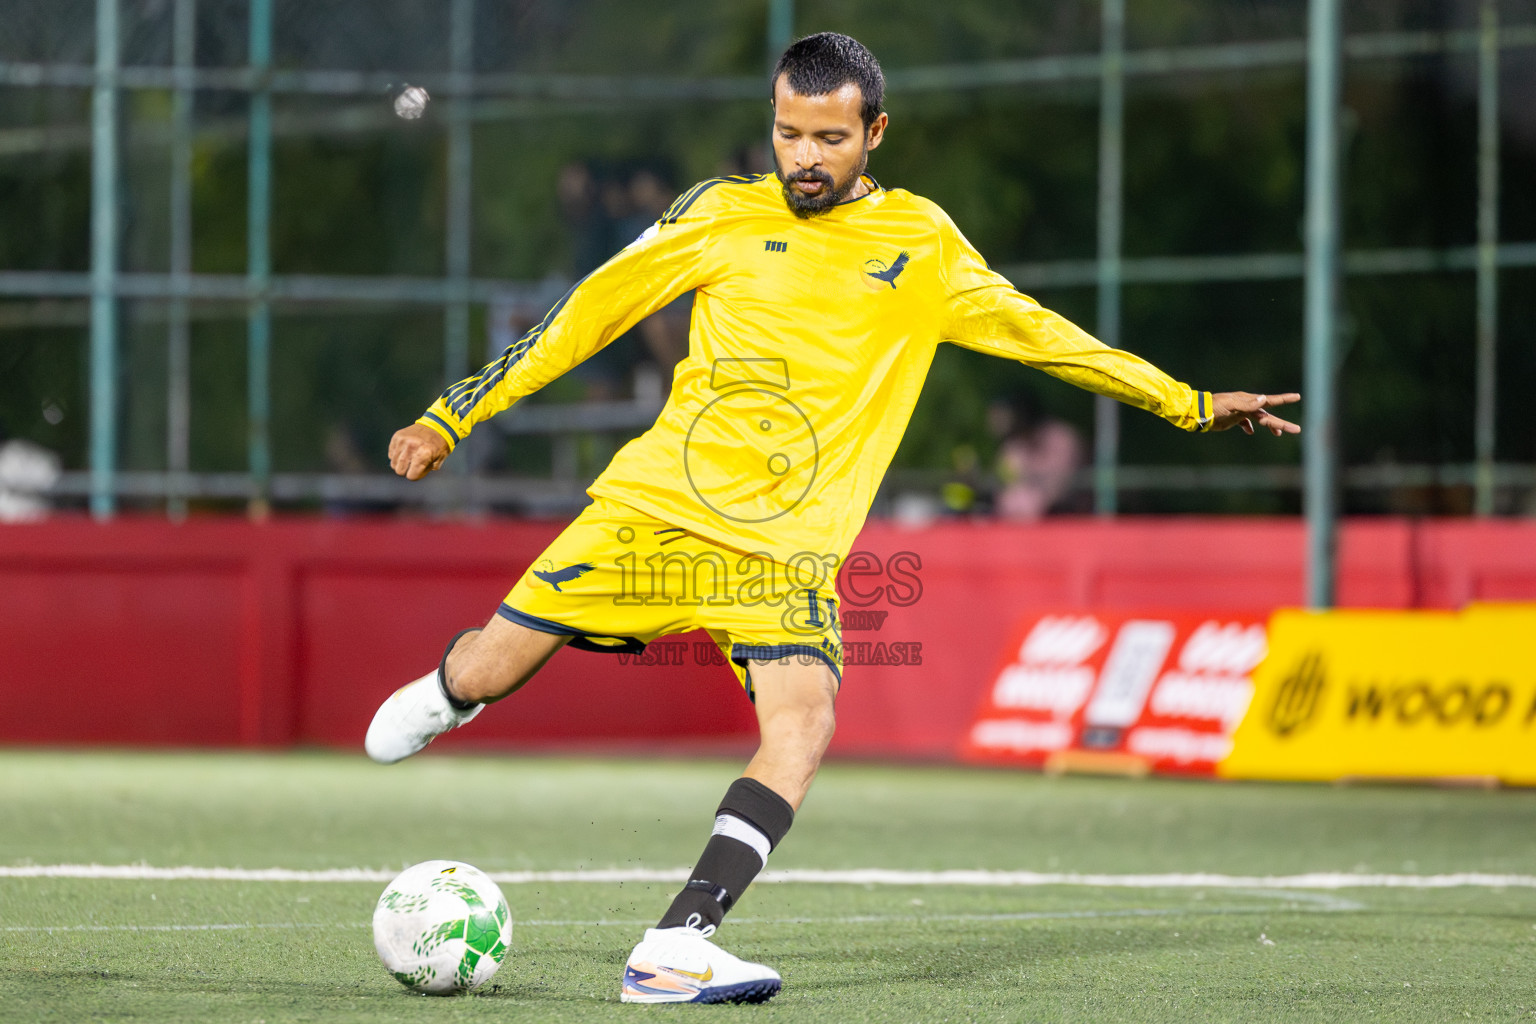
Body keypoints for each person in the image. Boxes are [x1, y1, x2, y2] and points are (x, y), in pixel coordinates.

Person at [366, 32, 1300, 1005]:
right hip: (653, 513)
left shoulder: (922, 245)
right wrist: (452, 414)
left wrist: (1185, 401)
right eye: (787, 133)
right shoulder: (717, 214)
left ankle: (676, 944)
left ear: (875, 132)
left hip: (783, 556)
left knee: (803, 726)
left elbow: (1044, 337)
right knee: (487, 669)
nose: (804, 156)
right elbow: (583, 316)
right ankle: (451, 689)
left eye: (828, 137)